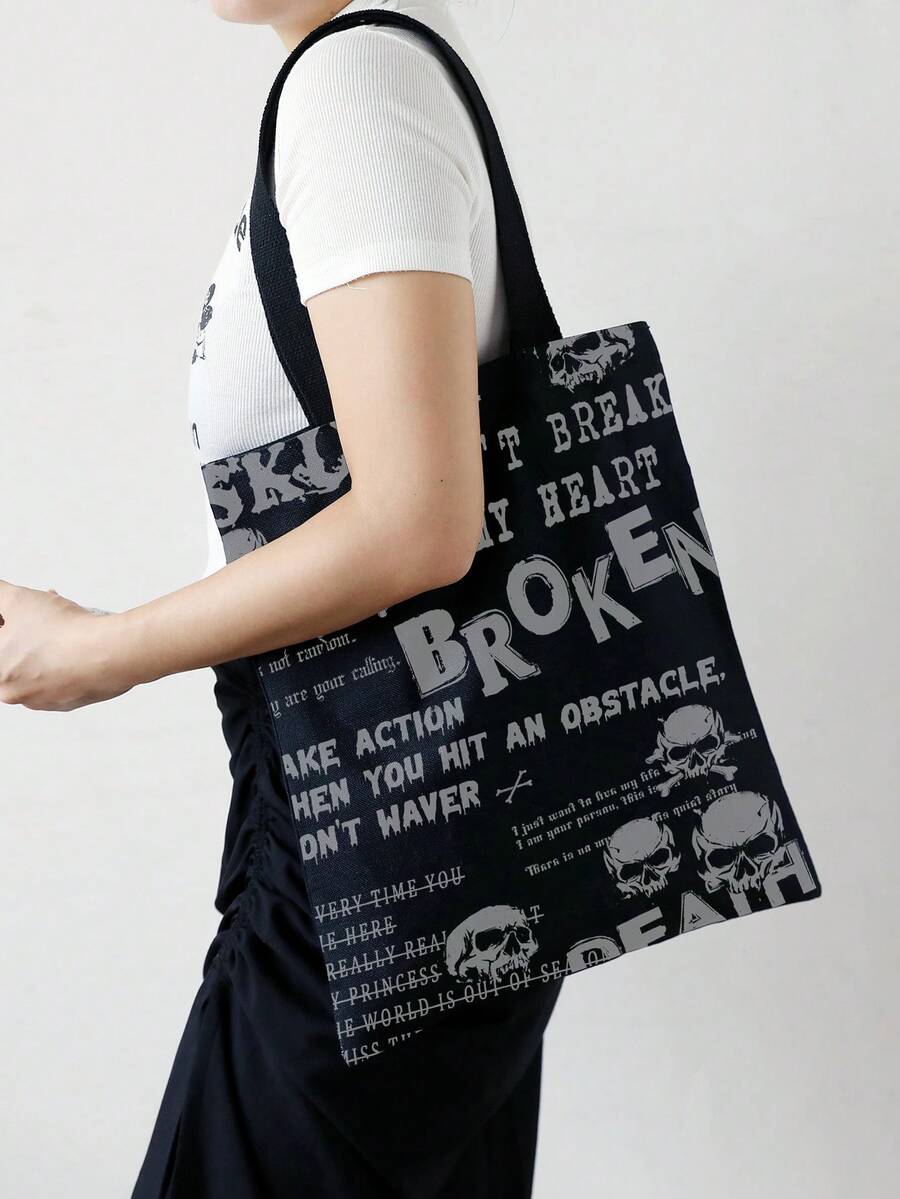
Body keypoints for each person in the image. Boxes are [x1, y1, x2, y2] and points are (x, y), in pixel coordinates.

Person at [0, 1, 564, 1195]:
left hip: (367, 823)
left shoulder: (355, 83)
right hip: (421, 825)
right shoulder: (372, 73)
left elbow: (418, 520)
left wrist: (104, 650)